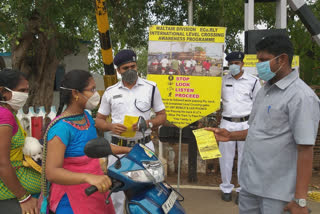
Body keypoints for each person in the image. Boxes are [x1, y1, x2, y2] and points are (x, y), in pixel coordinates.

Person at [206, 34, 320, 214]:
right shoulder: (265, 90)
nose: (259, 65)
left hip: (277, 192)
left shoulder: (301, 96)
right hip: (250, 186)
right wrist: (230, 135)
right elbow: (259, 130)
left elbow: (305, 148)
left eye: (263, 60)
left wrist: (300, 200)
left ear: (282, 59)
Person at [42, 70, 130, 214]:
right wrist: (88, 177)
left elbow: (98, 148)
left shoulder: (87, 117)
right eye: (92, 90)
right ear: (75, 93)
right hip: (72, 198)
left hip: (96, 189)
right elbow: (52, 172)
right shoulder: (61, 128)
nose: (96, 94)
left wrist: (128, 150)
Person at [95, 49, 166, 214]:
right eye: (125, 68)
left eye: (133, 66)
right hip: (117, 150)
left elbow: (162, 117)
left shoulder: (151, 87)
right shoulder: (110, 92)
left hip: (144, 147)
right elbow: (98, 120)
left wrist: (147, 123)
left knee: (149, 189)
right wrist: (111, 126)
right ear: (118, 71)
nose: (130, 70)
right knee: (117, 195)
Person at [218, 51, 261, 204]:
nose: (233, 66)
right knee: (225, 158)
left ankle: (242, 190)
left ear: (242, 64)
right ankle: (226, 188)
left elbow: (258, 103)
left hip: (246, 123)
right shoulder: (221, 81)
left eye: (236, 63)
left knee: (245, 158)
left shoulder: (253, 81)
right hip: (227, 123)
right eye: (231, 64)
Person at [0, 68, 41, 214]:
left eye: (27, 91)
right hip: (8, 189)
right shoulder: (4, 115)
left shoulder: (8, 113)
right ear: (3, 91)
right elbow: (2, 162)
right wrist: (24, 198)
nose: (25, 95)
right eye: (21, 90)